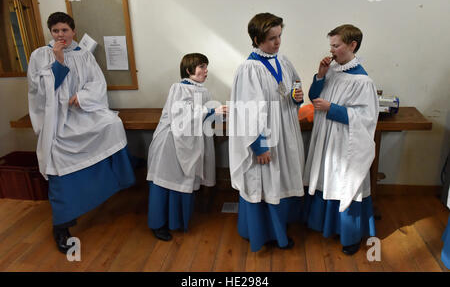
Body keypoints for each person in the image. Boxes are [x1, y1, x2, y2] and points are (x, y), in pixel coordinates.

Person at [27, 12, 135, 254]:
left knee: (112, 125)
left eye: (64, 30)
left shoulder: (84, 55)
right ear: (50, 32)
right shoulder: (39, 55)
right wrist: (58, 60)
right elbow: (39, 91)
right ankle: (62, 226)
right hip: (56, 119)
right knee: (57, 160)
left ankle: (118, 179)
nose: (60, 35)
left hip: (80, 112)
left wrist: (83, 97)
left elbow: (97, 83)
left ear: (73, 31)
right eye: (55, 31)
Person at [228, 13, 305, 252]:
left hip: (285, 129)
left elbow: (293, 86)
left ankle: (280, 228)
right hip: (265, 137)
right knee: (265, 183)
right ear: (256, 38)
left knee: (280, 180)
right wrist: (260, 146)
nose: (277, 42)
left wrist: (295, 97)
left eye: (279, 36)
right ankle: (268, 235)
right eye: (271, 38)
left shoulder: (283, 61)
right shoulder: (249, 69)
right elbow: (249, 112)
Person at [303, 24, 378, 255]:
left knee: (345, 183)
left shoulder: (363, 81)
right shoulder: (333, 71)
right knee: (327, 178)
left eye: (337, 45)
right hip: (327, 136)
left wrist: (332, 108)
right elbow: (314, 97)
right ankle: (324, 225)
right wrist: (320, 76)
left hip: (346, 141)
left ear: (352, 45)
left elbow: (366, 117)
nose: (332, 50)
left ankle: (350, 235)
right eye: (331, 45)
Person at [146, 53, 227, 241]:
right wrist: (210, 110)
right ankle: (158, 224)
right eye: (201, 67)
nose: (206, 71)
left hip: (188, 143)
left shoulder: (203, 91)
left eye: (206, 67)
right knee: (165, 184)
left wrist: (221, 114)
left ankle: (177, 222)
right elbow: (181, 116)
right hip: (170, 143)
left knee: (183, 182)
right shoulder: (179, 88)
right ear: (189, 70)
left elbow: (203, 116)